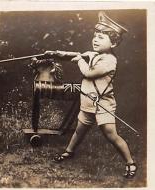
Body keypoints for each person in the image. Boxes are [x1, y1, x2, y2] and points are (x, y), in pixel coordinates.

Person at [45, 11, 137, 178]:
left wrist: (80, 60)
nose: (95, 39)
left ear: (114, 43)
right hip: (88, 102)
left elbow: (89, 73)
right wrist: (55, 53)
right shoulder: (96, 54)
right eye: (95, 35)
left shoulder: (109, 61)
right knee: (79, 131)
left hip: (103, 104)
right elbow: (75, 54)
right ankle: (69, 152)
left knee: (111, 135)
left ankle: (130, 163)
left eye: (101, 37)